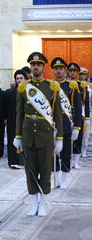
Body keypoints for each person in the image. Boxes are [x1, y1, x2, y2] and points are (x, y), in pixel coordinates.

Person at [14, 52, 63, 217]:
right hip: (28, 134)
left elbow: (57, 115)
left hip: (46, 135)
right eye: (33, 65)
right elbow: (19, 113)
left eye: (39, 65)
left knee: (45, 170)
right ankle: (33, 204)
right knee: (30, 171)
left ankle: (42, 205)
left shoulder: (52, 87)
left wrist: (60, 138)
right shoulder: (23, 87)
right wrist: (18, 136)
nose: (35, 67)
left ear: (43, 67)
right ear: (30, 67)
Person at [50, 57, 81, 189]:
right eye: (56, 69)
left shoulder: (71, 86)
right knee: (52, 154)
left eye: (61, 69)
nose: (58, 71)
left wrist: (77, 128)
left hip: (66, 125)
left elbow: (78, 108)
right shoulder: (49, 85)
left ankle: (63, 180)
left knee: (65, 154)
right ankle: (56, 179)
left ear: (65, 71)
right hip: (52, 126)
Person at [69, 63, 89, 168]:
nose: (73, 73)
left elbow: (86, 103)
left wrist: (87, 118)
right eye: (71, 71)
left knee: (78, 138)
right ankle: (68, 160)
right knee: (67, 139)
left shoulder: (82, 85)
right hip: (66, 115)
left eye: (75, 71)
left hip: (78, 115)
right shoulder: (63, 84)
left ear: (77, 73)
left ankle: (76, 161)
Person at [5, 70, 26, 169]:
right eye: (17, 78)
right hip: (13, 121)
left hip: (26, 121)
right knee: (13, 140)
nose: (19, 80)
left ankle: (25, 161)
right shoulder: (10, 93)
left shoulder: (30, 91)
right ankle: (14, 161)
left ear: (25, 79)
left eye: (21, 78)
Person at [79, 67, 90, 158]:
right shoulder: (76, 85)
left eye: (84, 75)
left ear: (87, 76)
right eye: (80, 74)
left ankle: (84, 150)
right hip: (79, 112)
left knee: (87, 133)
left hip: (88, 112)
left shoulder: (90, 87)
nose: (82, 76)